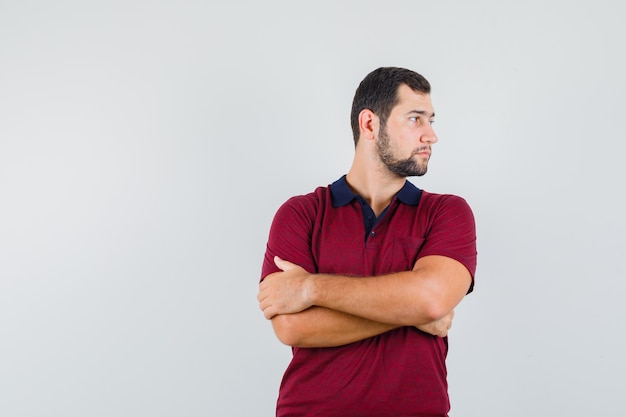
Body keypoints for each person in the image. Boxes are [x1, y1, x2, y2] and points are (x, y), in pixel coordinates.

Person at [257, 67, 477, 417]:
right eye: (415, 119)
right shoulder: (301, 213)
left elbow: (432, 300)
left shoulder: (447, 212)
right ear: (370, 124)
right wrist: (411, 312)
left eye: (431, 120)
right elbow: (291, 326)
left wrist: (310, 290)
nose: (431, 135)